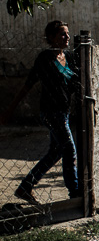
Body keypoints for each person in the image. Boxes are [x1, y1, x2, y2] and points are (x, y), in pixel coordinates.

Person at [1, 21, 82, 205]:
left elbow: (77, 82)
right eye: (62, 34)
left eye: (67, 33)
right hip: (51, 113)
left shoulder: (69, 57)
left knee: (55, 152)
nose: (67, 37)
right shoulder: (45, 59)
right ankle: (75, 193)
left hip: (64, 112)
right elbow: (28, 85)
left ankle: (25, 186)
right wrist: (10, 110)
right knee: (69, 149)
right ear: (51, 38)